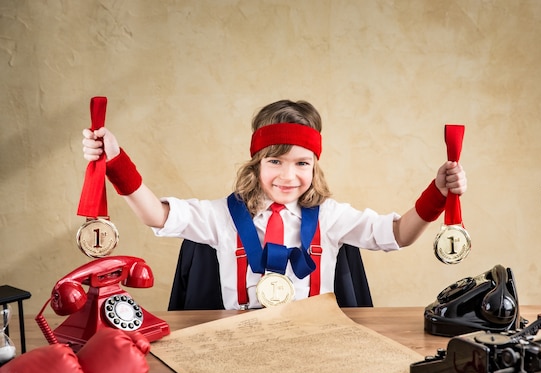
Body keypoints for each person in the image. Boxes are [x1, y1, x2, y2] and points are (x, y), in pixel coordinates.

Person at [81, 99, 467, 309]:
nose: (288, 176)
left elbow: (398, 234)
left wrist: (437, 191)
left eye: (302, 163)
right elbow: (157, 214)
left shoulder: (330, 217)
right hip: (237, 347)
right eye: (275, 161)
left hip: (314, 348)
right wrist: (115, 161)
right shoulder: (220, 216)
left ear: (315, 166)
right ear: (256, 162)